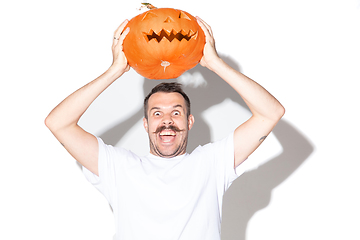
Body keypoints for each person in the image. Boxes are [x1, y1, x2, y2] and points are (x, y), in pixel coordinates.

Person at [45, 17, 285, 240]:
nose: (167, 121)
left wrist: (215, 64)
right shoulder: (117, 167)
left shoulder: (212, 163)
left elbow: (270, 113)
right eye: (157, 113)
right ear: (146, 124)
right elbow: (58, 123)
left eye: (176, 112)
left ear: (189, 122)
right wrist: (115, 70)